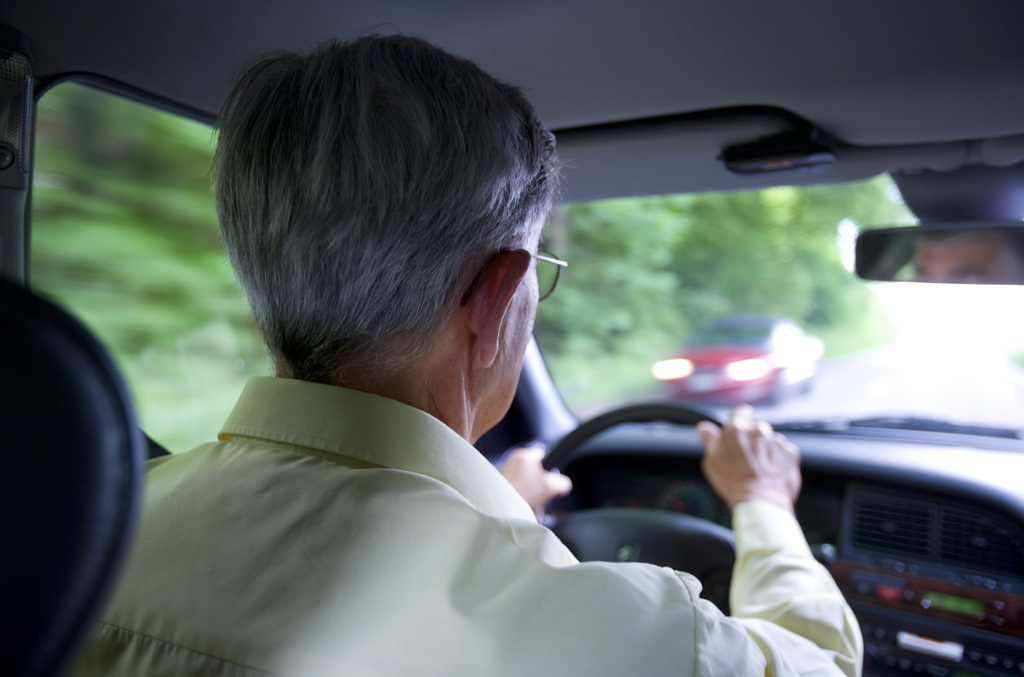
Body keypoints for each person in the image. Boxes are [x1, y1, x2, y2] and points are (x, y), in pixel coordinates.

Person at [71, 35, 861, 676]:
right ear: (494, 298)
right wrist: (762, 502)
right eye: (536, 279)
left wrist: (501, 513)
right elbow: (824, 662)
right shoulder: (624, 638)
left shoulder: (86, 534)